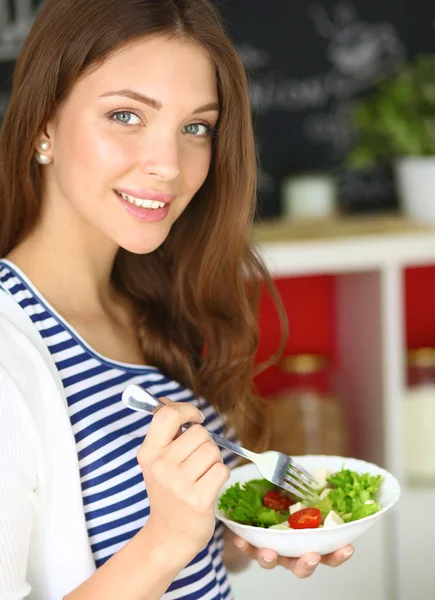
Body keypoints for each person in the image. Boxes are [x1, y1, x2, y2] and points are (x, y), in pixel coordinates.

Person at [0, 0, 354, 598]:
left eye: (196, 128)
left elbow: (194, 559)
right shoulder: (10, 353)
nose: (168, 165)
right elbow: (163, 546)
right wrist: (166, 540)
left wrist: (244, 527)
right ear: (43, 126)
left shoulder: (152, 307)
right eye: (126, 116)